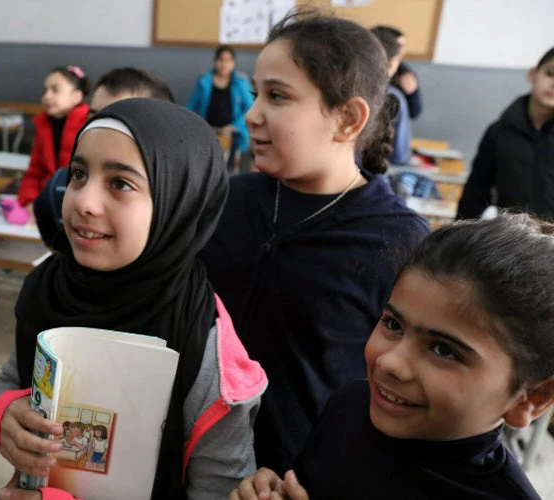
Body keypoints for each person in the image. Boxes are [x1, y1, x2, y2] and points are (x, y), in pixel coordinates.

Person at [0, 99, 267, 500]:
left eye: (120, 183)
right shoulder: (48, 286)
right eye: (79, 174)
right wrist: (3, 417)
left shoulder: (204, 344)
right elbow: (10, 382)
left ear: (178, 203)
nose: (83, 201)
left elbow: (219, 490)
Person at [200, 11, 431, 474]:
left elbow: (404, 390)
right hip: (194, 457)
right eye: (255, 94)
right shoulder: (228, 199)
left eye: (278, 96)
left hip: (302, 476)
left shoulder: (399, 241)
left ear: (347, 119)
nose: (252, 114)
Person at [231, 214, 554, 500]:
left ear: (533, 399)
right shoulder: (350, 406)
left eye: (444, 349)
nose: (389, 363)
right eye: (393, 324)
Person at [33, 67, 175, 251]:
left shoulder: (175, 202)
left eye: (120, 184)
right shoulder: (57, 188)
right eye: (93, 117)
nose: (84, 203)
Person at [456, 47, 554, 220]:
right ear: (532, 74)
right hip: (512, 239)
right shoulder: (499, 132)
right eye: (550, 74)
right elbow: (476, 193)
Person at [17, 66, 90, 213]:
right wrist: (29, 200)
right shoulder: (44, 125)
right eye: (45, 90)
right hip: (52, 201)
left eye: (55, 90)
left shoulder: (89, 125)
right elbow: (35, 170)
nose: (47, 96)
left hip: (81, 205)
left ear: (76, 96)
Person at [187, 45, 254, 171]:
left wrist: (234, 126)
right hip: (208, 130)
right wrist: (189, 122)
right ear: (215, 61)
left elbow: (250, 107)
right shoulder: (204, 81)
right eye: (221, 59)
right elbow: (191, 105)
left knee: (229, 167)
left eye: (228, 60)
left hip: (233, 133)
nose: (224, 64)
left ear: (233, 62)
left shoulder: (241, 82)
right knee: (206, 165)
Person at [371, 27, 412, 165]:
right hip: (381, 170)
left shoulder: (342, 87)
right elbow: (400, 154)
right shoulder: (394, 97)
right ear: (392, 63)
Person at [372, 26, 423, 120]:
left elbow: (415, 112)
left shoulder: (404, 73)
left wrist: (412, 93)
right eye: (399, 46)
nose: (402, 51)